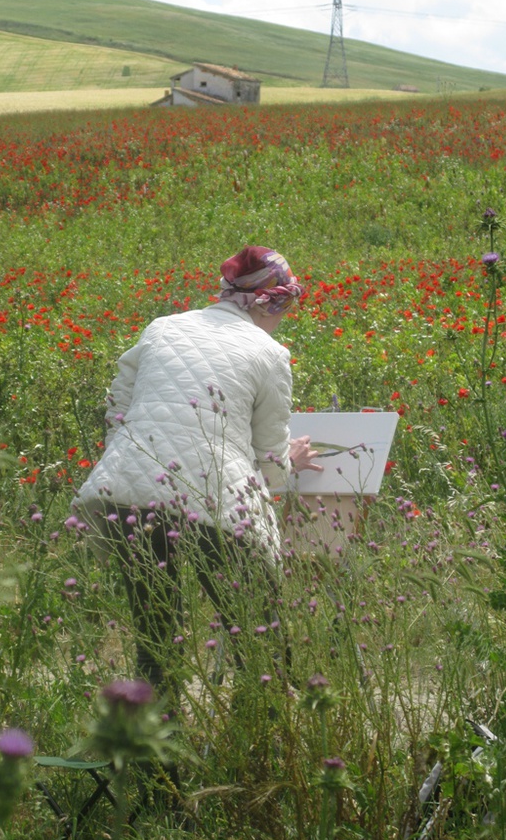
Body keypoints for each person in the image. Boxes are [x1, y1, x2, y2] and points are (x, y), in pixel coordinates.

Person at [72, 245, 321, 696]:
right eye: (286, 307)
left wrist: (135, 463)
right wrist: (291, 461)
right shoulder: (270, 353)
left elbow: (118, 408)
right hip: (214, 497)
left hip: (127, 489)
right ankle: (262, 743)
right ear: (273, 302)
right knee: (255, 632)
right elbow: (268, 457)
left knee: (156, 635)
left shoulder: (163, 328)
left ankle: (153, 754)